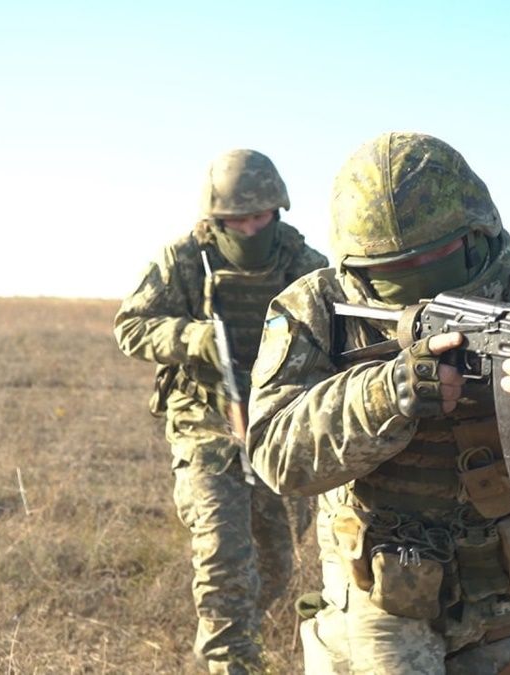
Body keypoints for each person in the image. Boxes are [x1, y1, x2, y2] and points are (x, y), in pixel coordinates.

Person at [246, 132, 510, 674]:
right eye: (389, 274)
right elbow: (278, 458)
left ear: (477, 236)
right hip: (376, 606)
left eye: (433, 261)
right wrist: (385, 394)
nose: (414, 284)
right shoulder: (317, 308)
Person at [114, 148, 328, 675]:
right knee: (223, 554)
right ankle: (230, 660)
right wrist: (192, 338)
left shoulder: (305, 265)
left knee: (276, 563)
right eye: (238, 219)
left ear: (278, 211)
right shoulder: (185, 258)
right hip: (203, 423)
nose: (251, 229)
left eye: (261, 217)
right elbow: (131, 326)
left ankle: (225, 632)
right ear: (216, 217)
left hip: (278, 426)